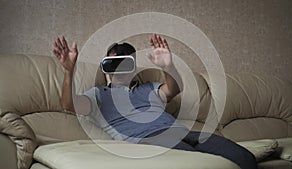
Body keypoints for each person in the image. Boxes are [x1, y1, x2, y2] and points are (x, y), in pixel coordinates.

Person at [52, 33, 257, 169]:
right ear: (106, 65)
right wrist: (69, 72)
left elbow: (173, 89)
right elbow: (68, 105)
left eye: (126, 62)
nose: (120, 67)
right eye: (115, 62)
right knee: (199, 164)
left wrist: (168, 67)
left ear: (133, 66)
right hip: (148, 140)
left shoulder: (148, 88)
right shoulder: (98, 95)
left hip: (185, 133)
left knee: (244, 158)